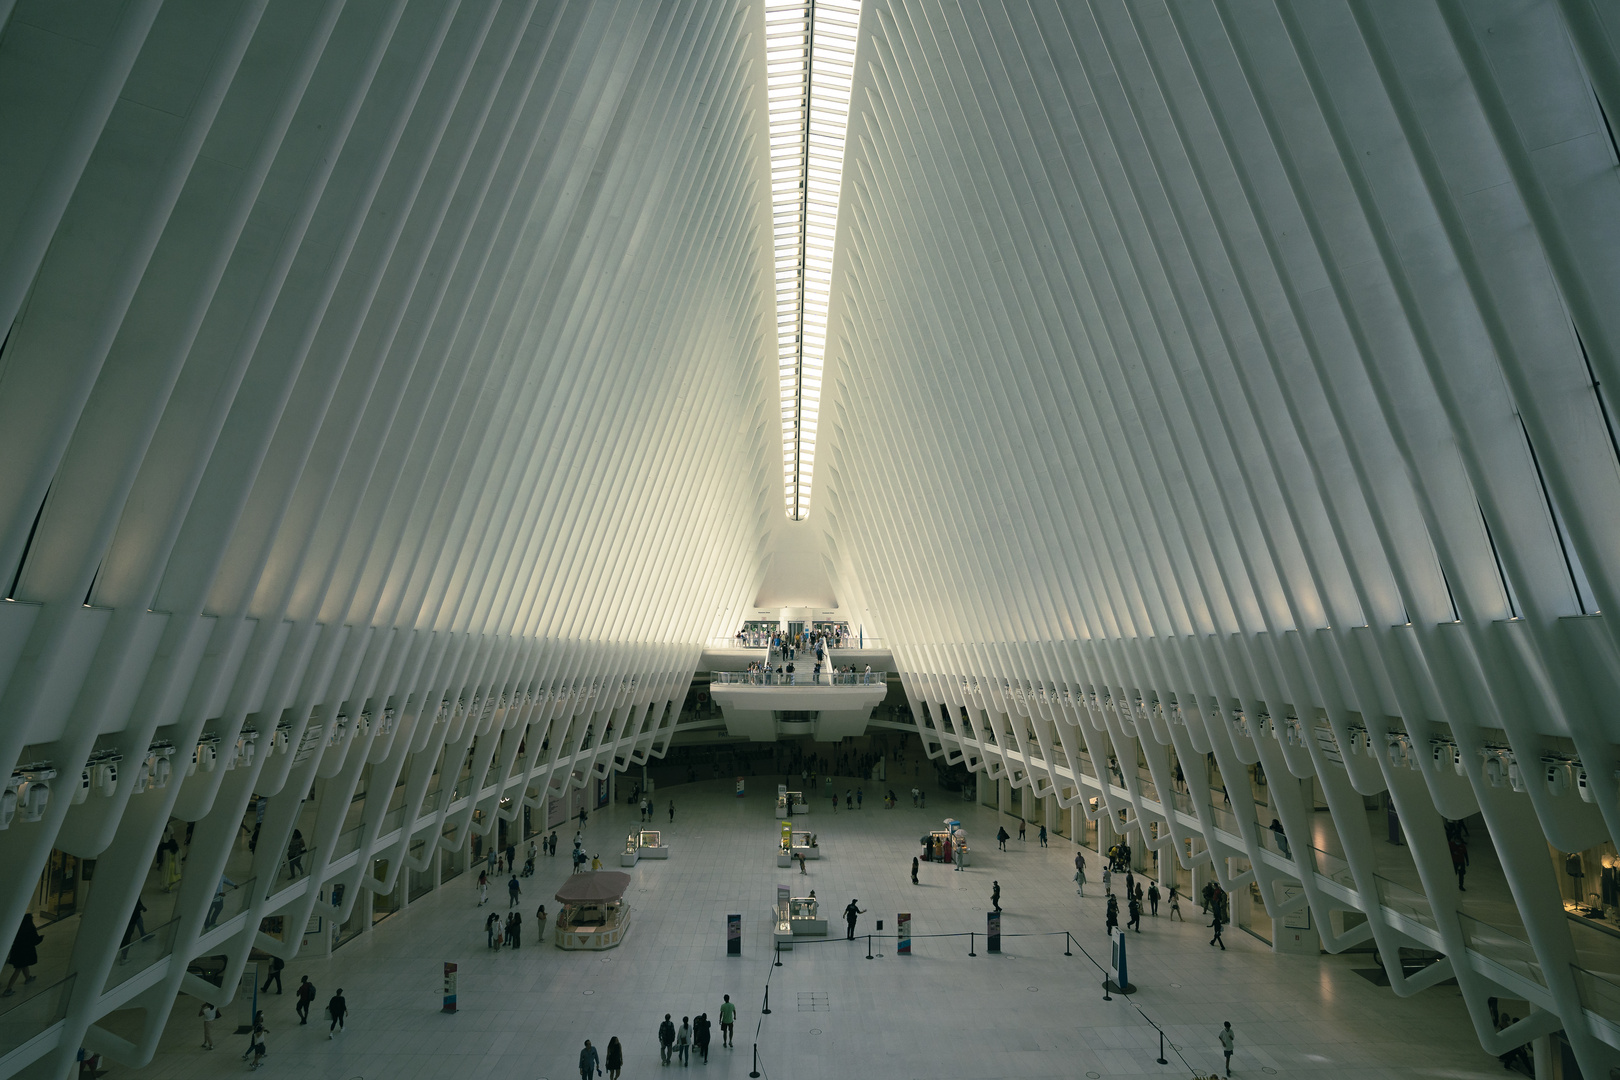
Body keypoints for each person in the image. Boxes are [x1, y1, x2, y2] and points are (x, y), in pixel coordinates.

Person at [4, 913, 41, 995]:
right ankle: (8, 989)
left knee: (23, 965)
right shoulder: (30, 927)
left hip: (16, 951)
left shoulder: (17, 927)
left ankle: (28, 978)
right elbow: (35, 939)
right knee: (18, 969)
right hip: (25, 951)